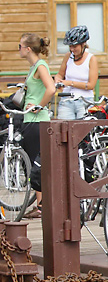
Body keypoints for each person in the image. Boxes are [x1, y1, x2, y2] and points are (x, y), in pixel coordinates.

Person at [18, 33, 56, 217]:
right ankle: (41, 203)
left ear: (27, 49)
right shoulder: (34, 67)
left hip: (36, 120)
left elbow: (51, 88)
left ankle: (41, 206)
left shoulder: (40, 66)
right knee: (35, 161)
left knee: (36, 164)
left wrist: (39, 105)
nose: (18, 50)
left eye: (20, 46)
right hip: (30, 119)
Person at [54, 25, 98, 119]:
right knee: (63, 129)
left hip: (84, 101)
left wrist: (70, 83)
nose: (72, 49)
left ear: (83, 44)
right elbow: (60, 74)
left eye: (75, 46)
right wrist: (57, 80)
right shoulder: (67, 57)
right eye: (70, 46)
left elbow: (91, 85)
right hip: (66, 99)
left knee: (83, 130)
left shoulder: (91, 59)